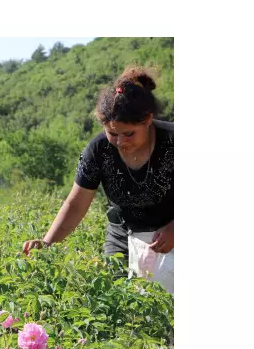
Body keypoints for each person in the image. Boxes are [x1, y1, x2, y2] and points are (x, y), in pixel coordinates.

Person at [22, 66, 174, 294]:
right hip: (124, 236)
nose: (121, 142)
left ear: (148, 120)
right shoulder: (99, 150)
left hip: (173, 236)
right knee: (121, 303)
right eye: (112, 133)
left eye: (129, 133)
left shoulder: (174, 142)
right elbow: (75, 204)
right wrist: (47, 243)